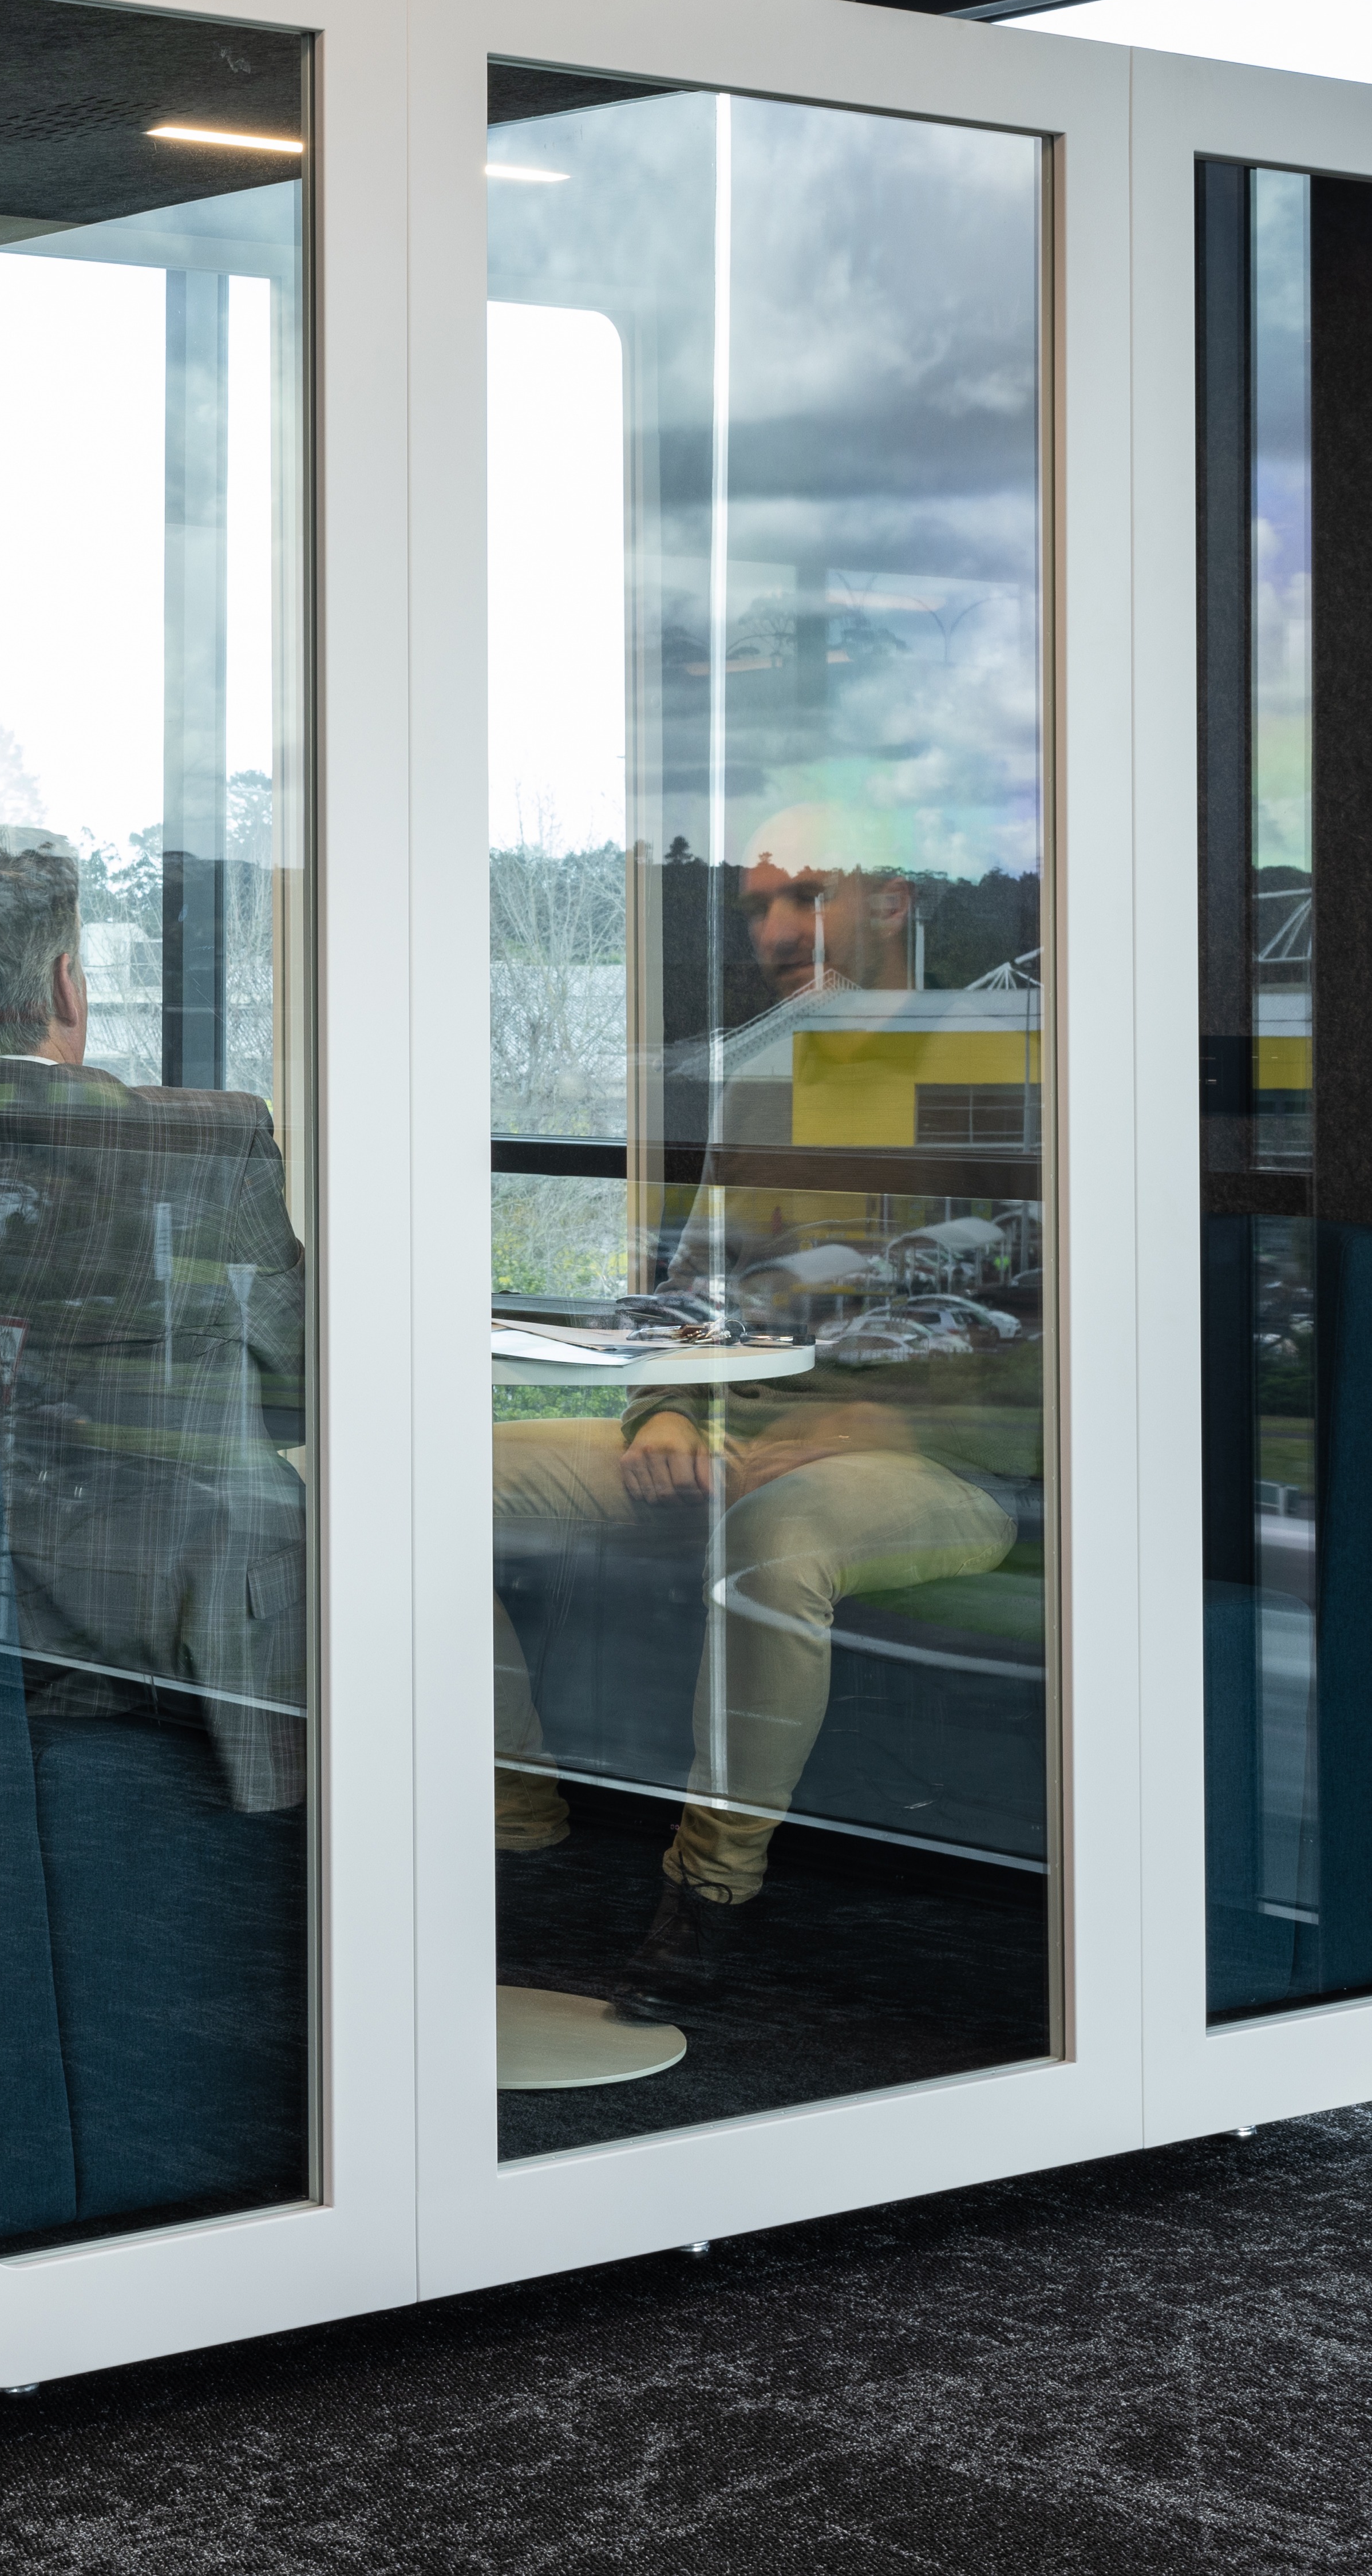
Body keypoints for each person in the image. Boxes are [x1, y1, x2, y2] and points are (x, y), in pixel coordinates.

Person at [495, 800, 1020, 2012]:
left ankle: (710, 1894)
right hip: (734, 1428)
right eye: (760, 906)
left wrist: (895, 1424)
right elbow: (691, 1290)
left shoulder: (989, 1062)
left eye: (809, 895)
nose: (780, 929)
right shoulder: (760, 1075)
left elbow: (1049, 1299)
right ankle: (516, 1830)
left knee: (772, 1547)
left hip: (941, 1461)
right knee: (386, 1477)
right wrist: (662, 1418)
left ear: (894, 898)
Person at [0, 833, 313, 2239]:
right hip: (170, 1579)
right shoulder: (201, 1130)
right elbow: (296, 1384)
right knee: (424, 1587)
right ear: (67, 979)